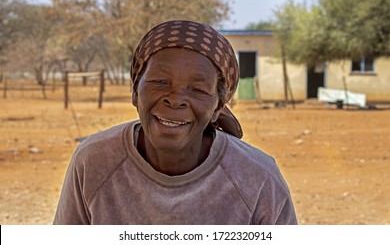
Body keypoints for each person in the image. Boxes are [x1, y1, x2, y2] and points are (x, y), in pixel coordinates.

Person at [53, 19, 297, 225]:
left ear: (218, 107)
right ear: (136, 92)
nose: (176, 99)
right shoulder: (94, 162)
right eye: (160, 81)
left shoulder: (258, 179)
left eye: (198, 89)